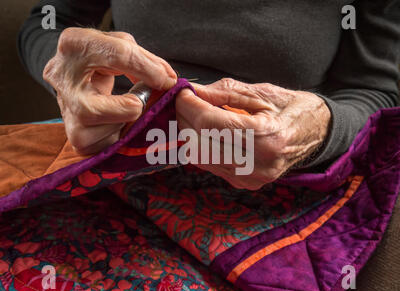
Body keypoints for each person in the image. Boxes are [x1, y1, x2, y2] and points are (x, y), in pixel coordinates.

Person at [18, 0, 400, 190]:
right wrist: (68, 75)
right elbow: (49, 21)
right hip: (108, 150)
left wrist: (318, 126)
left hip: (279, 180)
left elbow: (375, 92)